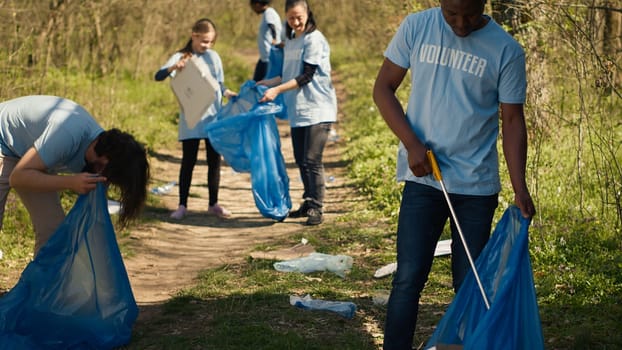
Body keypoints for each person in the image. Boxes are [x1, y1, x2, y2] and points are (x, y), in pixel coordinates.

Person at [372, 0, 536, 348]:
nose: (461, 24)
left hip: (476, 188)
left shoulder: (507, 50)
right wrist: (412, 144)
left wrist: (519, 187)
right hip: (424, 180)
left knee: (470, 285)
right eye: (452, 15)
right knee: (408, 279)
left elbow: (512, 121)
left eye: (471, 15)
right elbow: (383, 88)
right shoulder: (416, 27)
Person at [0, 95, 150, 256]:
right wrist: (70, 182)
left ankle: (42, 281)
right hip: (3, 140)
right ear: (103, 160)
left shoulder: (102, 152)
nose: (105, 179)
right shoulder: (66, 135)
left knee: (53, 233)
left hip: (28, 154)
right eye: (108, 175)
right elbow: (18, 178)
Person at [258, 0, 337, 226]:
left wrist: (277, 91)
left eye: (299, 16)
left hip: (318, 108)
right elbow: (288, 74)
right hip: (298, 110)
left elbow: (306, 76)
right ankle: (308, 201)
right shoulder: (292, 41)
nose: (295, 21)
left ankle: (317, 208)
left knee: (312, 159)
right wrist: (268, 83)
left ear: (307, 13)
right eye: (291, 18)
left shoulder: (314, 39)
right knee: (301, 159)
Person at [155, 18, 236, 220]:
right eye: (204, 41)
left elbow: (219, 83)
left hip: (213, 116)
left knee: (214, 161)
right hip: (191, 119)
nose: (207, 46)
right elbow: (158, 76)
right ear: (194, 35)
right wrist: (175, 67)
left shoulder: (214, 57)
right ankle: (182, 205)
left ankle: (213, 204)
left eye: (210, 42)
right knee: (188, 161)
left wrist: (227, 93)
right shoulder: (180, 56)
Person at [250, 0, 283, 82]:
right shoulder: (267, 13)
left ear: (257, 4)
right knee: (256, 80)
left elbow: (271, 25)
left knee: (262, 82)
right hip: (264, 56)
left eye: (253, 6)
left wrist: (274, 38)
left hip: (269, 55)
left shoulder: (269, 12)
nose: (253, 9)